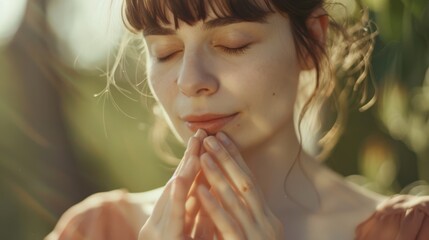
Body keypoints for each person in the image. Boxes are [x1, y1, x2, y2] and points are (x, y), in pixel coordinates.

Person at [46, 0, 429, 239]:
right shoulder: (94, 231)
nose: (192, 82)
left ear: (311, 41)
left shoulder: (411, 232)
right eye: (165, 52)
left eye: (233, 43)